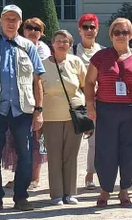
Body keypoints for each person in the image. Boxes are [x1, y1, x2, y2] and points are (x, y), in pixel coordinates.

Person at [0, 4, 45, 213]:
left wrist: (38, 110)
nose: (11, 22)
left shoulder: (28, 46)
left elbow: (36, 81)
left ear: (20, 22)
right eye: (7, 18)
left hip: (21, 108)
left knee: (26, 154)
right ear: (1, 21)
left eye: (15, 19)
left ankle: (21, 196)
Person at [84, 17, 132, 207]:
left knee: (130, 152)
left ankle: (124, 190)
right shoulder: (100, 57)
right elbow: (89, 82)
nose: (121, 35)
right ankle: (105, 190)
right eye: (117, 32)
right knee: (105, 151)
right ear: (110, 35)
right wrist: (90, 105)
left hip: (130, 110)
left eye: (125, 32)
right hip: (106, 109)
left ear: (131, 35)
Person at [41, 30, 87, 205]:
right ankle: (57, 194)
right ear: (52, 44)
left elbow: (86, 86)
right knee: (54, 155)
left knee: (71, 154)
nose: (62, 44)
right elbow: (36, 89)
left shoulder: (76, 62)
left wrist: (89, 108)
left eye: (65, 41)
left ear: (70, 45)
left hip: (74, 115)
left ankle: (70, 193)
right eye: (58, 41)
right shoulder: (43, 64)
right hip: (51, 116)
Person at [17, 16, 49, 189]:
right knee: (17, 139)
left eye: (37, 29)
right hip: (19, 97)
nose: (32, 31)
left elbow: (42, 77)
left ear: (41, 33)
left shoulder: (44, 50)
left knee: (37, 138)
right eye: (29, 27)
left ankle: (35, 177)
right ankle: (20, 175)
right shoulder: (16, 44)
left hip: (38, 97)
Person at [73, 13, 102, 190]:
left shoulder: (103, 51)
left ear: (97, 30)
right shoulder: (72, 51)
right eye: (86, 27)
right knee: (73, 141)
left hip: (98, 100)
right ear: (79, 30)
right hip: (77, 102)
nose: (89, 30)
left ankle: (90, 174)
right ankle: (68, 179)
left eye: (92, 27)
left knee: (94, 141)